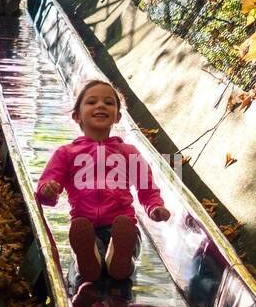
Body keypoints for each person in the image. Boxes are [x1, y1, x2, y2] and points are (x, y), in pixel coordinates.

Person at [36, 79, 170, 284]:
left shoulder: (128, 153)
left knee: (127, 237)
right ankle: (89, 260)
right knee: (84, 240)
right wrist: (48, 191)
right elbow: (47, 183)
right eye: (91, 102)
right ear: (76, 116)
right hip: (86, 226)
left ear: (117, 117)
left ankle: (119, 259)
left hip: (122, 224)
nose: (100, 105)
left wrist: (155, 207)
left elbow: (147, 187)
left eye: (108, 102)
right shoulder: (66, 154)